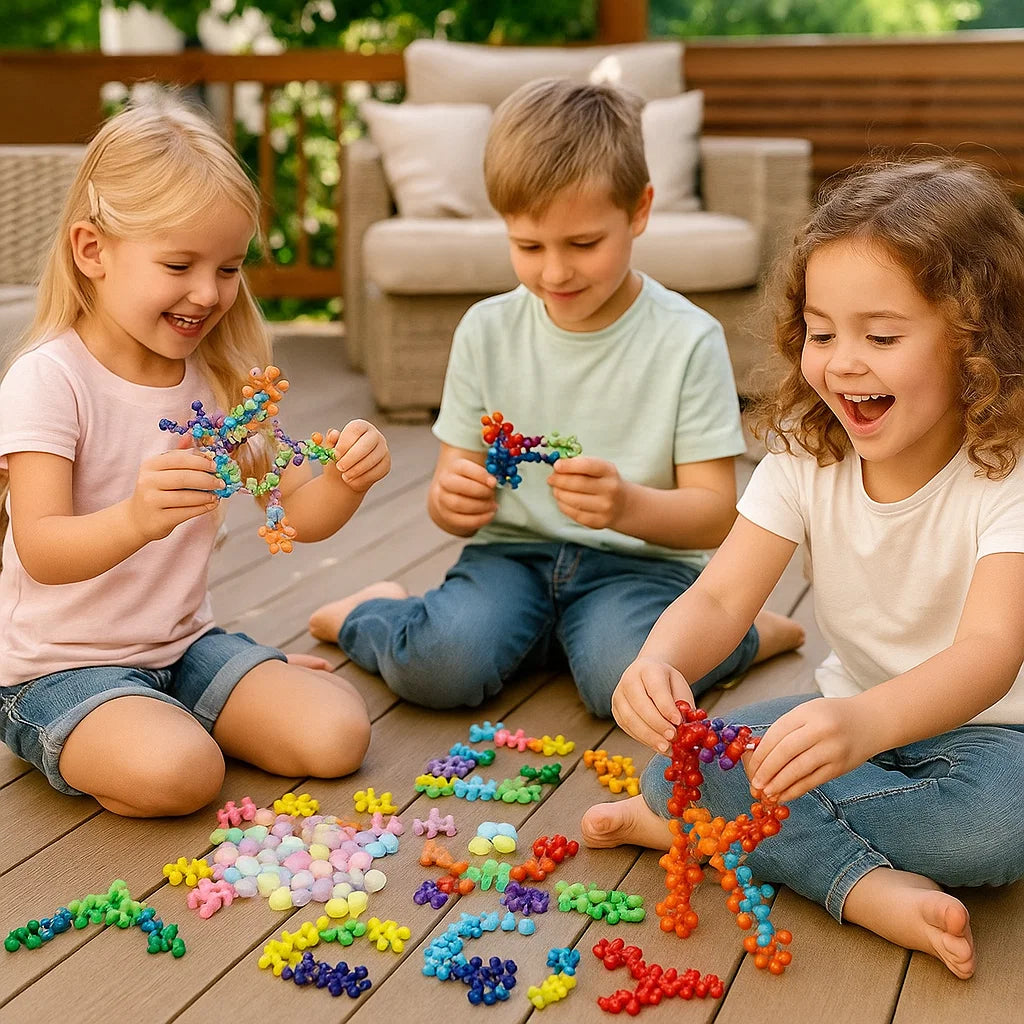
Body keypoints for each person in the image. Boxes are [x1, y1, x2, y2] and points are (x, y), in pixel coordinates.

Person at [581, 157, 1024, 979]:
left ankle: (707, 828)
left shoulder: (1007, 470)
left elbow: (990, 652)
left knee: (993, 832)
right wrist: (659, 661)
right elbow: (719, 594)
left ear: (976, 343)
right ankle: (858, 885)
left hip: (999, 736)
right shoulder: (805, 452)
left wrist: (866, 725)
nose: (843, 363)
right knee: (675, 762)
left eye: (881, 336)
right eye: (822, 333)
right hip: (851, 715)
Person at [310, 78, 803, 717]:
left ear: (639, 211)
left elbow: (713, 515)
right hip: (510, 556)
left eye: (583, 244)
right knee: (440, 667)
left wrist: (627, 504)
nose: (554, 272)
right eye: (528, 246)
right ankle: (368, 611)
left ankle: (748, 633)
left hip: (640, 569)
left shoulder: (687, 339)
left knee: (622, 683)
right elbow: (449, 490)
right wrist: (451, 501)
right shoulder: (486, 331)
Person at [0, 95, 391, 817]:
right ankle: (100, 733)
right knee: (183, 774)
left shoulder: (219, 381)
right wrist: (137, 518)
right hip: (59, 668)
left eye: (229, 266)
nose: (208, 293)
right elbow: (42, 548)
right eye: (180, 263)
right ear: (94, 253)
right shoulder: (49, 380)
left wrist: (345, 478)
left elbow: (298, 515)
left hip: (182, 647)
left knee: (338, 737)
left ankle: (191, 707)